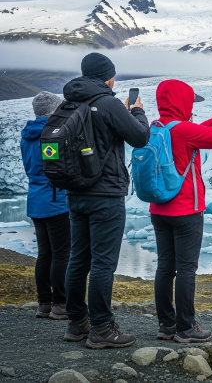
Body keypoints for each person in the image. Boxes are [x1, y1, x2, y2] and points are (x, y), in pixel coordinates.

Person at [149, 79, 212, 343]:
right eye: (190, 102)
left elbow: (190, 133)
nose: (191, 108)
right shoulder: (183, 130)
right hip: (185, 211)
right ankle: (186, 327)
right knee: (185, 269)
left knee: (164, 267)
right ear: (181, 102)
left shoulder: (156, 127)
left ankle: (166, 325)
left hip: (159, 210)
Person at [62, 53, 150, 349]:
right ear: (108, 77)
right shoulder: (109, 103)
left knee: (78, 259)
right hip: (105, 194)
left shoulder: (70, 101)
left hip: (75, 193)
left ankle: (77, 322)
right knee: (102, 263)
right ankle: (101, 327)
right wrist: (137, 111)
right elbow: (140, 137)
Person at [21, 92, 71, 320]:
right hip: (55, 200)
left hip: (36, 199)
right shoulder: (51, 135)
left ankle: (44, 303)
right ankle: (60, 303)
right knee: (61, 253)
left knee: (45, 253)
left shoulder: (27, 134)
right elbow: (57, 167)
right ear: (54, 110)